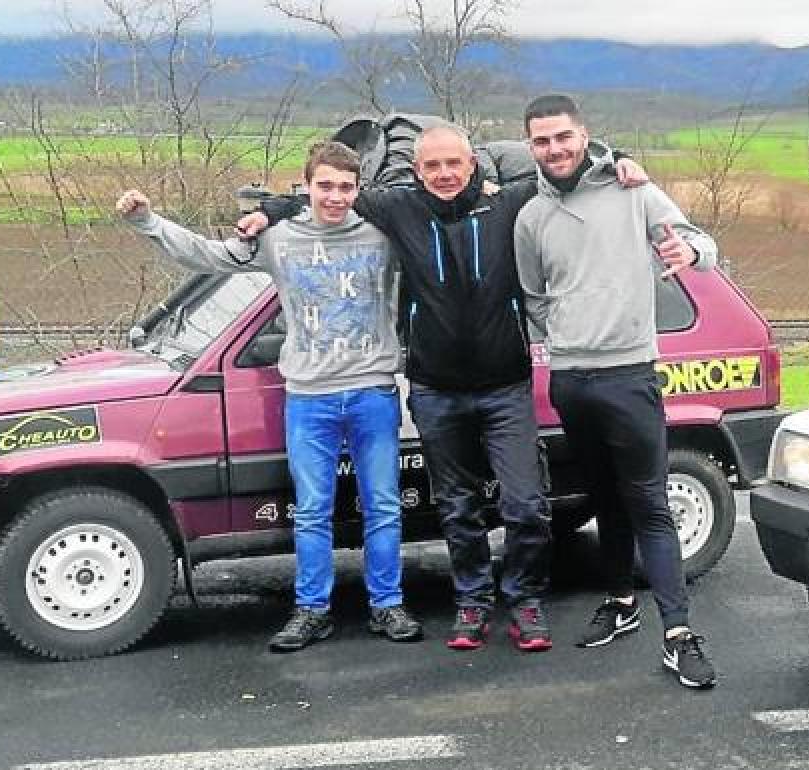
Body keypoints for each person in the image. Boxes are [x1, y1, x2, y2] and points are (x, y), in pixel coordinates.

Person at [239, 122, 648, 653]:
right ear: (417, 171)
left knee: (526, 505)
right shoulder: (396, 209)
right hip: (435, 389)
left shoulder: (509, 205)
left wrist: (618, 158)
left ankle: (524, 601)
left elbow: (561, 168)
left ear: (472, 164)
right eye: (432, 166)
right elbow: (327, 194)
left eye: (454, 164)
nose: (444, 174)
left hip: (505, 387)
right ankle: (472, 604)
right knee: (457, 508)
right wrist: (269, 211)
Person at [115, 140, 423, 653]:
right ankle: (312, 610)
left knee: (384, 505)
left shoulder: (382, 237)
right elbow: (209, 256)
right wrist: (148, 221)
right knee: (312, 509)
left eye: (347, 187)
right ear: (307, 187)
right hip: (308, 397)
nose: (336, 197)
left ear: (358, 190)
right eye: (326, 186)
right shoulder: (280, 240)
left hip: (372, 390)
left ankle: (387, 604)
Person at [514, 93, 719, 689]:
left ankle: (678, 634)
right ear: (531, 146)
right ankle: (621, 601)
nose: (554, 149)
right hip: (571, 381)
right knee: (604, 500)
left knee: (649, 505)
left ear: (584, 136)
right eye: (541, 141)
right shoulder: (531, 217)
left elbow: (701, 246)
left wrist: (693, 250)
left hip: (630, 375)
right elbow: (533, 297)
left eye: (562, 137)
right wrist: (565, 338)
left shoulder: (634, 192)